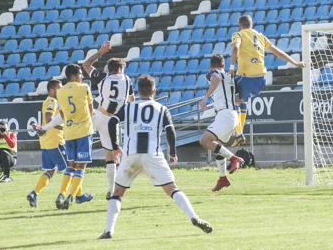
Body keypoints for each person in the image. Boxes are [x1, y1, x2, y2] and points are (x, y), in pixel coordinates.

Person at [99, 75, 212, 239]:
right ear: (154, 90)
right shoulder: (161, 108)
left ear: (138, 90)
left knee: (117, 193)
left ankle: (109, 230)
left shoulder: (129, 107)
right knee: (172, 189)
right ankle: (194, 217)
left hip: (131, 154)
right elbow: (170, 130)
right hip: (153, 155)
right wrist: (173, 152)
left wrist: (115, 147)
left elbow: (112, 122)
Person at [230, 15, 305, 146]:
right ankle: (239, 132)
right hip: (261, 80)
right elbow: (278, 52)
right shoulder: (260, 36)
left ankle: (238, 132)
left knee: (232, 98)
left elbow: (235, 48)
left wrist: (231, 67)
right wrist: (295, 62)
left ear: (240, 25)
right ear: (251, 24)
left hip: (246, 77)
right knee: (242, 100)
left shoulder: (238, 35)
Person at [82, 41, 134, 199]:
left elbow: (86, 64)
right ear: (120, 69)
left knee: (81, 148)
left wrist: (100, 52)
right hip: (111, 121)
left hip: (97, 115)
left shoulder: (102, 78)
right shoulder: (127, 80)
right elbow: (131, 100)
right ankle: (111, 191)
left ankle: (73, 184)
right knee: (111, 156)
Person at [38, 64, 94, 209]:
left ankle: (62, 193)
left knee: (71, 165)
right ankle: (71, 196)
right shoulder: (84, 88)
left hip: (68, 134)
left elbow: (62, 116)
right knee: (81, 166)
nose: (82, 76)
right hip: (83, 132)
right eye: (81, 74)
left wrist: (45, 128)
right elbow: (91, 110)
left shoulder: (60, 92)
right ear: (75, 76)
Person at [199, 54, 244, 192]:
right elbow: (238, 100)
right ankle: (223, 178)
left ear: (212, 65)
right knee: (216, 145)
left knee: (204, 140)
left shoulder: (215, 73)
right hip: (230, 114)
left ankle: (235, 158)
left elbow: (216, 78)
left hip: (225, 115)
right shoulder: (230, 77)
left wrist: (206, 97)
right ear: (223, 65)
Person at [27, 80, 68, 208]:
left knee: (51, 170)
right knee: (70, 169)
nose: (61, 91)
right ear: (52, 90)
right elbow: (50, 118)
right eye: (59, 89)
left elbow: (47, 121)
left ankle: (34, 193)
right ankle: (63, 196)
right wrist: (65, 128)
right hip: (55, 141)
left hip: (46, 142)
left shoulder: (48, 101)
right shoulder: (52, 101)